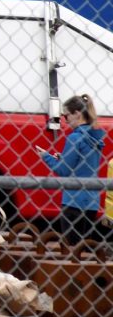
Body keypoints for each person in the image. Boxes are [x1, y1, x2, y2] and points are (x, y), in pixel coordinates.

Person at [36, 94, 107, 246]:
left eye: (66, 115)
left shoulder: (74, 138)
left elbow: (63, 171)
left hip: (73, 201)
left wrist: (46, 156)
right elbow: (83, 165)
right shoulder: (95, 137)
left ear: (77, 114)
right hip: (92, 201)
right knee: (85, 248)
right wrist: (63, 157)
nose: (64, 120)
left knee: (72, 248)